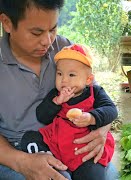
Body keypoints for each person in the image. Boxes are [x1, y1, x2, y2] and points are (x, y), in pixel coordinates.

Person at [0, 0, 119, 179]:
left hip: (75, 141)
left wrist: (101, 128)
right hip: (17, 150)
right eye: (36, 32)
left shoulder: (65, 48)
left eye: (53, 29)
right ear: (7, 23)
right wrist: (22, 161)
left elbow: (98, 96)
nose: (48, 41)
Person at [20, 44, 117, 180]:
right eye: (59, 73)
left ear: (88, 79)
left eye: (71, 75)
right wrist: (56, 102)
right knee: (29, 138)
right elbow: (41, 116)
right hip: (57, 144)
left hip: (84, 149)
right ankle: (53, 165)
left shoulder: (95, 92)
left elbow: (111, 110)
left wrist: (92, 118)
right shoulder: (56, 94)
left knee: (94, 173)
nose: (64, 80)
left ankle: (75, 172)